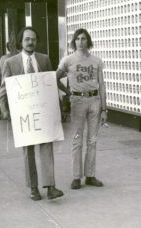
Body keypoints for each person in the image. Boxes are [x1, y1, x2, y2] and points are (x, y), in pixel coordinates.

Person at [0, 26, 64, 201]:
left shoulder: (44, 59)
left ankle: (51, 187)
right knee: (28, 152)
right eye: (27, 39)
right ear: (21, 42)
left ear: (37, 41)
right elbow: (3, 90)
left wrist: (58, 108)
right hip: (24, 116)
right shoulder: (10, 63)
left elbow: (51, 85)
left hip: (43, 113)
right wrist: (5, 110)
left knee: (47, 149)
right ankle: (34, 188)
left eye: (33, 39)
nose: (30, 42)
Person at [56, 28, 107, 190]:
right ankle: (76, 177)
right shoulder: (68, 60)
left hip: (94, 100)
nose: (80, 42)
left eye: (83, 39)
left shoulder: (96, 61)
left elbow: (102, 85)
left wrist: (104, 109)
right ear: (74, 41)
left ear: (88, 41)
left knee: (92, 140)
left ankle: (90, 176)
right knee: (77, 140)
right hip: (77, 100)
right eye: (77, 39)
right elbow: (54, 78)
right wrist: (67, 91)